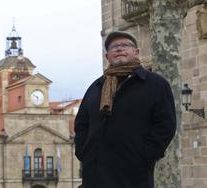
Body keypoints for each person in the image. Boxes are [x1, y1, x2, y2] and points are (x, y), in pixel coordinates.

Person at [74, 31, 176, 188]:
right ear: (107, 56)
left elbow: (165, 125)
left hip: (134, 176)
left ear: (136, 52)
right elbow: (81, 124)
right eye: (114, 47)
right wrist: (84, 153)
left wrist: (145, 156)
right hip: (95, 176)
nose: (119, 49)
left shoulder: (155, 84)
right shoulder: (96, 87)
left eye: (126, 45)